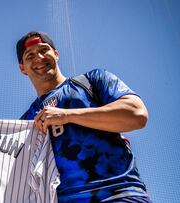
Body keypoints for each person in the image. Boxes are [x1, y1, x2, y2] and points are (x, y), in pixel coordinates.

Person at [16, 31, 151, 202]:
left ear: (56, 54)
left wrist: (67, 115)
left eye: (44, 50)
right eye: (30, 55)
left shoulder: (92, 81)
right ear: (22, 68)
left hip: (120, 194)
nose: (39, 57)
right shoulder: (24, 122)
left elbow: (136, 114)